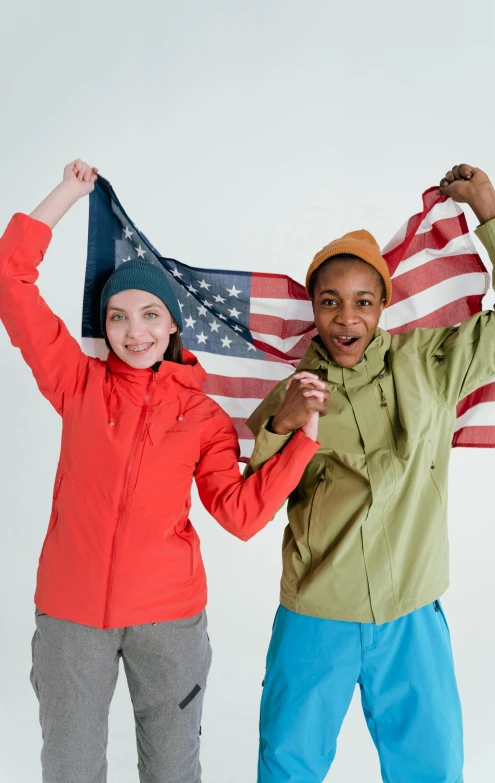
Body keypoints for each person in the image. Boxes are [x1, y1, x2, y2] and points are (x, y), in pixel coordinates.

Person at [0, 160, 328, 783]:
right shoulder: (78, 384)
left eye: (150, 314)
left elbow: (238, 513)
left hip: (169, 620)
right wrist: (68, 194)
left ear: (174, 323)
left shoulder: (203, 416)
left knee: (173, 771)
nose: (134, 331)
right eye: (118, 317)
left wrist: (302, 443)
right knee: (69, 770)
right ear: (105, 327)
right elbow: (9, 277)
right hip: (71, 618)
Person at [246, 164, 495, 783]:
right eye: (330, 302)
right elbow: (252, 501)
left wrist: (489, 209)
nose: (347, 319)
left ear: (383, 305)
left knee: (432, 769)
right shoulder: (294, 393)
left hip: (412, 612)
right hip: (316, 613)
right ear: (313, 309)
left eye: (363, 302)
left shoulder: (430, 362)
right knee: (286, 767)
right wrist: (283, 424)